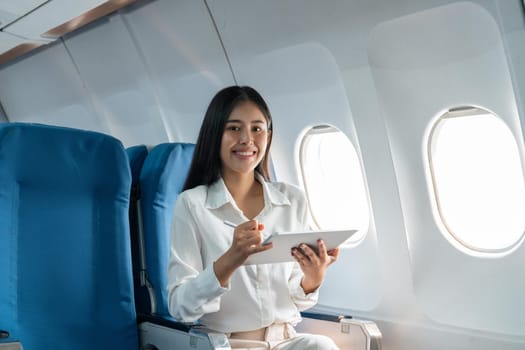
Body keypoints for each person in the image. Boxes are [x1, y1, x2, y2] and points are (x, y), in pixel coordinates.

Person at [167, 85, 340, 350]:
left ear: (268, 136)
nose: (247, 139)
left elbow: (297, 295)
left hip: (286, 341)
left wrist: (313, 278)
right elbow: (181, 307)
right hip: (227, 345)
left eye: (257, 129)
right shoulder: (192, 204)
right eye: (234, 128)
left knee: (322, 345)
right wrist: (228, 262)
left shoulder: (292, 200)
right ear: (215, 135)